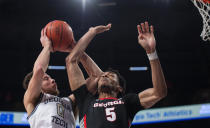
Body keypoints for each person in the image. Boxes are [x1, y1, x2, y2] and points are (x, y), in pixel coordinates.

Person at [66, 21, 167, 128]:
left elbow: (159, 92)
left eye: (110, 76)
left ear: (119, 88)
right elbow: (71, 61)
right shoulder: (86, 100)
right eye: (104, 75)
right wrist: (91, 32)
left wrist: (151, 52)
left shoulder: (126, 102)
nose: (104, 76)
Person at [23, 27, 103, 128]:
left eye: (50, 78)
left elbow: (98, 77)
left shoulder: (69, 102)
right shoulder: (33, 100)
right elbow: (39, 69)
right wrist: (47, 46)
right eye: (46, 79)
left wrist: (77, 50)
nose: (52, 80)